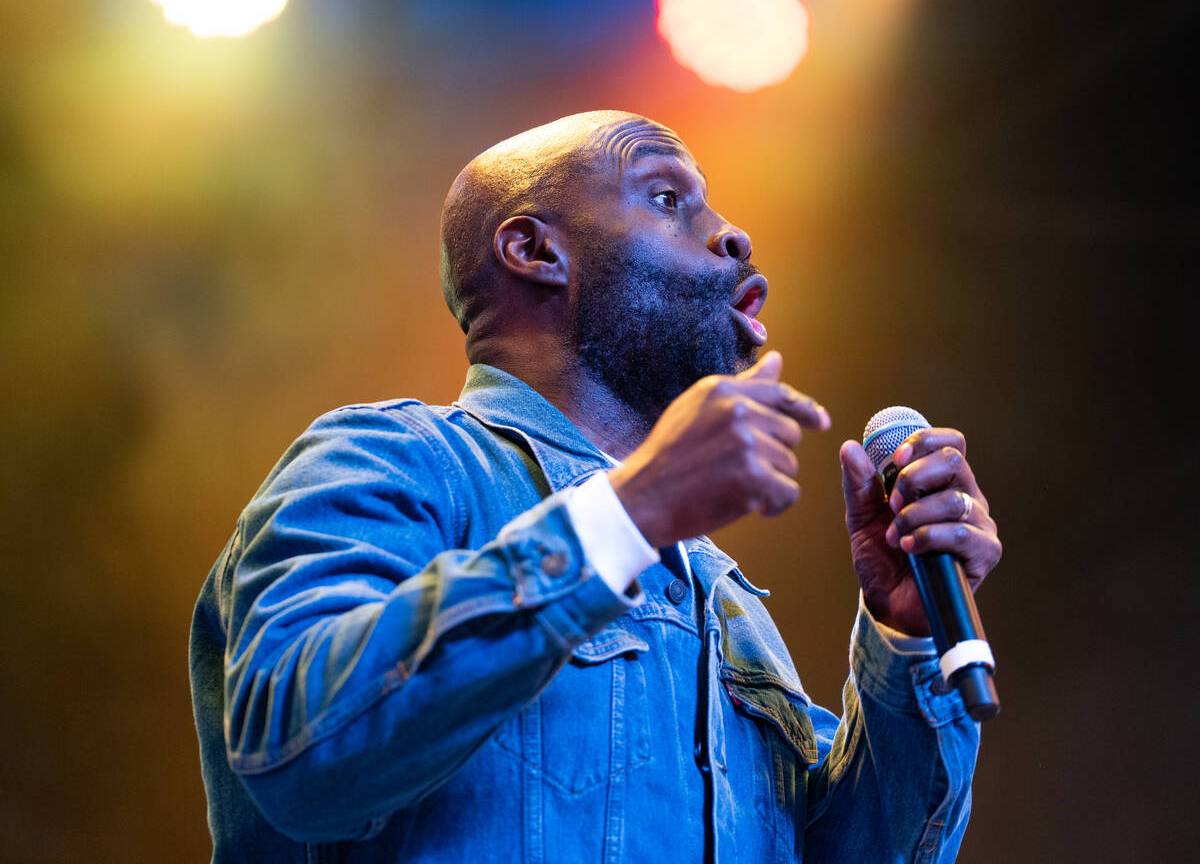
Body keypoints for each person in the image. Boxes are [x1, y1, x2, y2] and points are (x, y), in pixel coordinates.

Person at [189, 110, 1002, 863]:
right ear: (535, 252)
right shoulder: (392, 459)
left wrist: (906, 637)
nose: (733, 234)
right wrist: (629, 512)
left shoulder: (722, 598)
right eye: (664, 196)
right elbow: (299, 747)